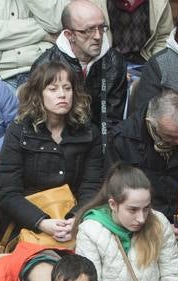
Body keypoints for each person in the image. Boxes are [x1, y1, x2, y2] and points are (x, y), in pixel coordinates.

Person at [0, 60, 102, 241]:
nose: (62, 95)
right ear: (38, 94)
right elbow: (8, 191)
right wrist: (42, 222)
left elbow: (91, 187)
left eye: (67, 88)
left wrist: (75, 218)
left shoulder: (89, 132)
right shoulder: (19, 130)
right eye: (53, 89)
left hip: (74, 218)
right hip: (28, 223)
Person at [75, 164, 178, 281]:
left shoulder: (159, 222)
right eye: (132, 210)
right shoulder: (91, 230)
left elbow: (173, 276)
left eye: (146, 208)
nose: (141, 218)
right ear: (113, 204)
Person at [30, 0, 127, 161]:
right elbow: (37, 123)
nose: (97, 36)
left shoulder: (114, 62)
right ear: (69, 35)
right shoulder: (45, 65)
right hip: (57, 147)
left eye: (101, 28)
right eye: (88, 30)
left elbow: (112, 121)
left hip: (99, 144)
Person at [109, 90, 178, 221]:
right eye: (171, 136)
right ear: (152, 123)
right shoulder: (123, 139)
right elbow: (116, 191)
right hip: (145, 219)